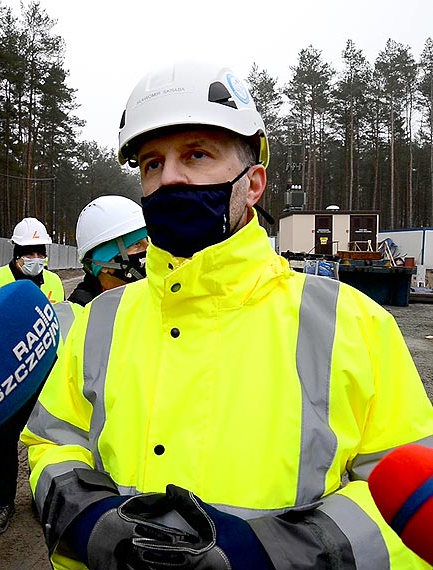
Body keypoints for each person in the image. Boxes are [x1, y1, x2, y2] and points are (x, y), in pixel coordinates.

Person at [21, 61, 433, 570]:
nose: (169, 177)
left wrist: (271, 554)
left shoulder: (353, 325)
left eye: (196, 155)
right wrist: (90, 522)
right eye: (152, 164)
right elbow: (53, 443)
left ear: (253, 184)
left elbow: (408, 499)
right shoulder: (101, 320)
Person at [0, 216, 65, 536]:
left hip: (46, 376)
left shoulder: (53, 282)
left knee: (48, 439)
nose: (36, 257)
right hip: (10, 377)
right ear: (16, 251)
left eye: (40, 251)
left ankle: (43, 496)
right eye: (29, 250)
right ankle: (5, 502)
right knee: (7, 441)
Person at [68, 195, 148, 306]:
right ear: (105, 263)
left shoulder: (163, 298)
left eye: (148, 241)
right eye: (137, 244)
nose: (149, 250)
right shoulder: (78, 315)